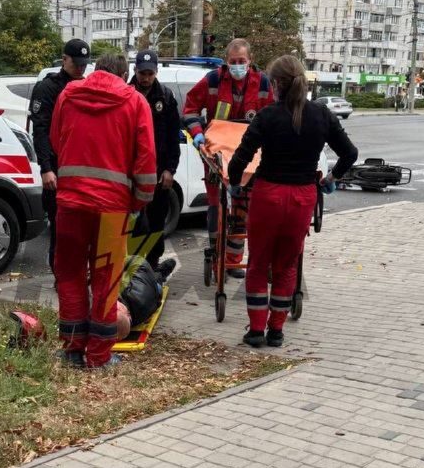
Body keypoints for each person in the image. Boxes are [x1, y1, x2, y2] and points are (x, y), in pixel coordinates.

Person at [227, 55, 358, 348]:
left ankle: (256, 330)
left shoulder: (267, 116)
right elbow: (350, 153)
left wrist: (234, 184)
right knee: (287, 265)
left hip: (268, 195)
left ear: (275, 84)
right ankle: (277, 330)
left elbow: (240, 158)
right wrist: (331, 178)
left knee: (259, 264)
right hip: (302, 197)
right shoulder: (322, 115)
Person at [49, 53, 156, 368]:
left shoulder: (68, 94)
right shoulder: (135, 102)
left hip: (70, 202)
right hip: (113, 208)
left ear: (96, 70)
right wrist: (137, 203)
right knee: (106, 280)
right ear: (124, 75)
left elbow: (56, 140)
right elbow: (146, 162)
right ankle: (99, 355)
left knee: (69, 274)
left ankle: (71, 349)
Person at [182, 38, 273, 277]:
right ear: (226, 62)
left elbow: (273, 115)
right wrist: (198, 134)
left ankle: (233, 260)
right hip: (218, 154)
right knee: (216, 206)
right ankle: (216, 257)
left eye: (241, 61)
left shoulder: (262, 83)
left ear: (249, 61)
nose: (237, 66)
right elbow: (190, 108)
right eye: (233, 62)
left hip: (249, 155)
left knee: (242, 207)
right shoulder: (213, 80)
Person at [29, 38, 90, 272]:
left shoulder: (86, 86)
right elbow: (40, 129)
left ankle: (76, 270)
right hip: (56, 167)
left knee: (80, 225)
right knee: (59, 225)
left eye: (84, 65)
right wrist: (45, 167)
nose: (81, 69)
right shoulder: (48, 88)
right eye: (77, 64)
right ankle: (59, 274)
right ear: (64, 60)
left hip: (79, 168)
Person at [129, 49, 181, 269]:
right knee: (133, 223)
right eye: (142, 73)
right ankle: (131, 265)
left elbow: (173, 138)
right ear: (135, 70)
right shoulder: (126, 94)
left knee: (156, 222)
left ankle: (152, 264)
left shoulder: (166, 98)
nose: (146, 78)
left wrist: (170, 169)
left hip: (158, 173)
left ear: (156, 72)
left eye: (150, 73)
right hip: (131, 173)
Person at [115, 256, 177, 340]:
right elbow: (139, 261)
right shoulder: (135, 294)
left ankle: (160, 272)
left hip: (149, 299)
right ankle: (161, 271)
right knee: (155, 281)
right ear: (128, 314)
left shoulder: (123, 315)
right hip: (154, 293)